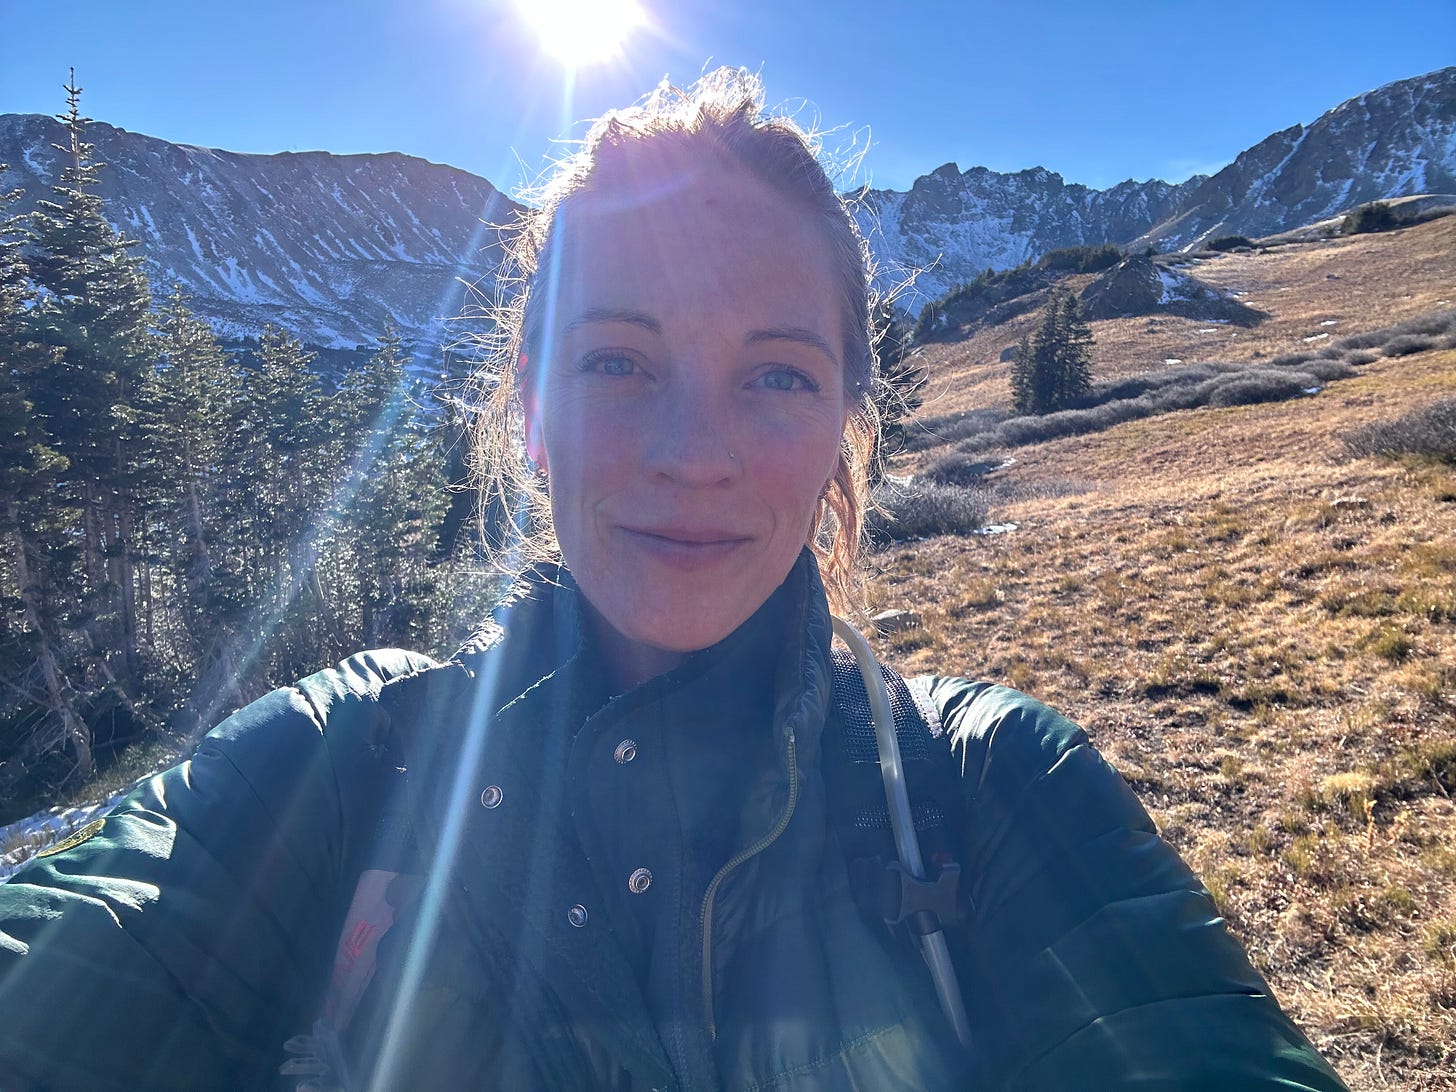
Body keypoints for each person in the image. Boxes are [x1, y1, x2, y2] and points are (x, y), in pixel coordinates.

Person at [0, 69, 1346, 1091]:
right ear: (531, 408)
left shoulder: (988, 786)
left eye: (777, 376)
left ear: (847, 424)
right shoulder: (338, 764)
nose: (694, 453)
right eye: (617, 362)